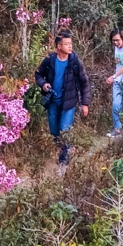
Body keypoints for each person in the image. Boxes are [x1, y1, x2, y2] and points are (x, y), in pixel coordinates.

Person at [32, 31, 89, 166]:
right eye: (66, 44)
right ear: (59, 46)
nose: (70, 47)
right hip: (53, 101)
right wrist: (43, 84)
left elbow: (84, 82)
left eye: (71, 44)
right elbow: (38, 75)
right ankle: (66, 148)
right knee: (54, 131)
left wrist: (85, 103)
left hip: (69, 102)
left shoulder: (75, 61)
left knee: (64, 129)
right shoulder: (49, 60)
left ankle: (63, 161)